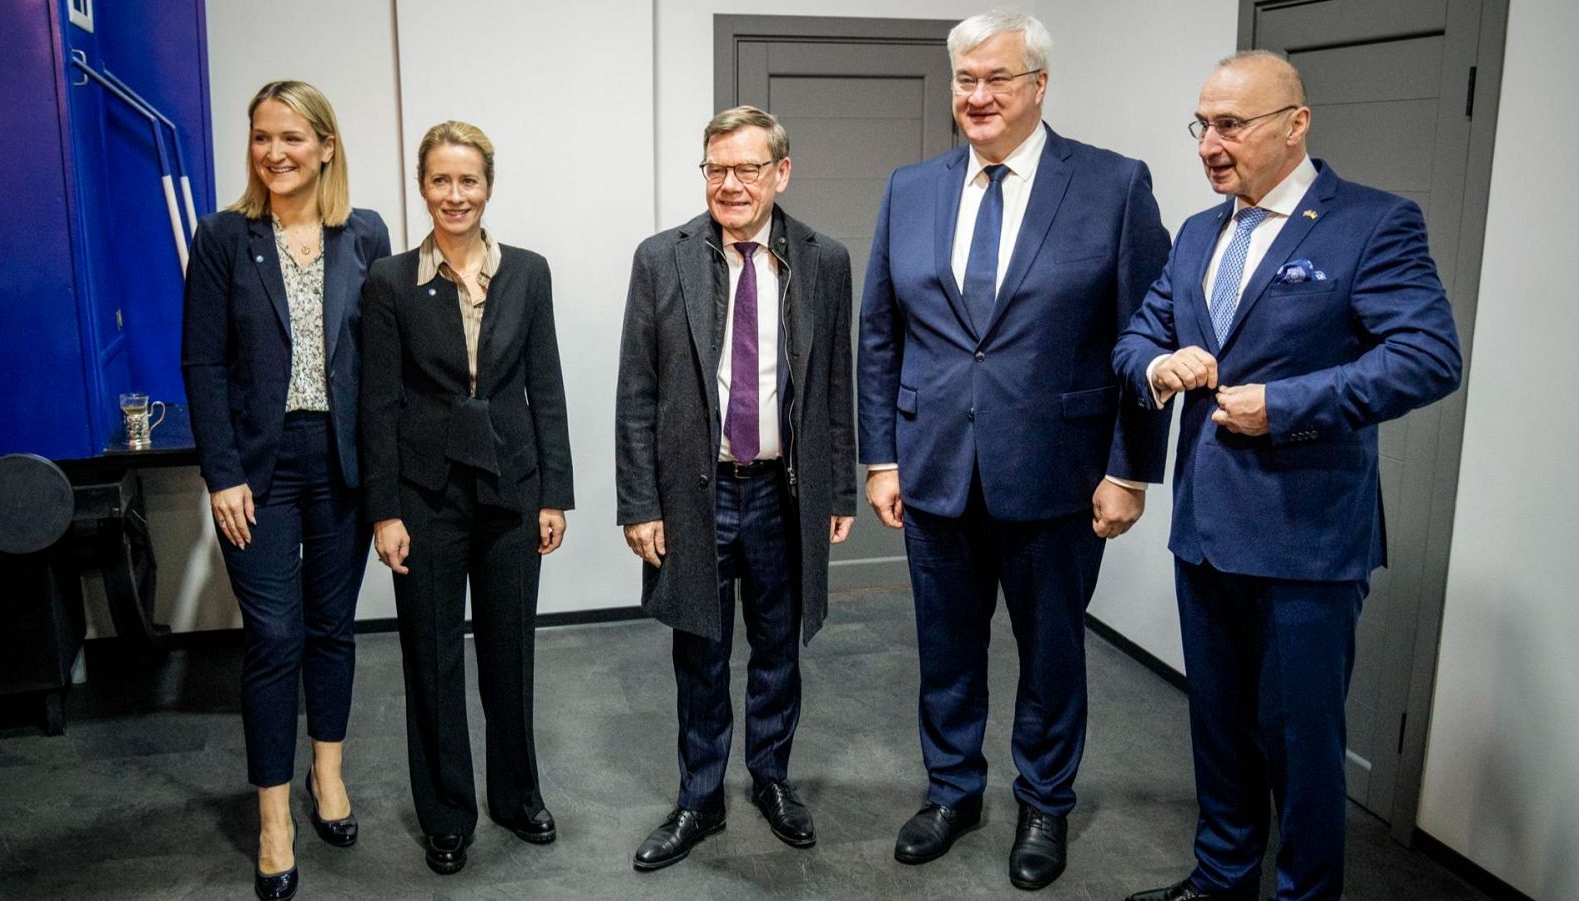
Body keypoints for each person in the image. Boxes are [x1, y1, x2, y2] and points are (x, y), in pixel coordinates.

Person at [1113, 52, 1462, 901]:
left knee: (1302, 745)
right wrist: (1161, 368)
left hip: (1308, 541)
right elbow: (1134, 340)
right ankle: (1223, 878)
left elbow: (1429, 356)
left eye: (1232, 125)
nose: (1210, 145)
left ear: (1295, 123)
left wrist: (1290, 404)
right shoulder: (1200, 233)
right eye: (1203, 124)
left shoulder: (1373, 224)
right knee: (1220, 731)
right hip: (1205, 532)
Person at [855, 10, 1171, 891]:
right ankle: (953, 791)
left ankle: (1045, 801)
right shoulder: (910, 189)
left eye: (997, 78)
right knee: (946, 649)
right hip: (934, 471)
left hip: (1061, 474)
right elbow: (879, 334)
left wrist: (1129, 467)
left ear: (1039, 85)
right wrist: (881, 457)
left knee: (1052, 652)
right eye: (965, 79)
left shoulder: (1111, 185)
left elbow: (1146, 331)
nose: (978, 96)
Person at [615, 105, 857, 871]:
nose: (729, 184)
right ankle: (699, 796)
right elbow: (637, 392)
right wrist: (639, 502)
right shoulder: (663, 257)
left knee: (780, 646)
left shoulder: (824, 260)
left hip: (785, 493)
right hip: (697, 491)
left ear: (779, 174)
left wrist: (839, 492)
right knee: (701, 649)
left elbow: (833, 388)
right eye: (716, 168)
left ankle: (773, 777)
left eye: (747, 169)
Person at [182, 80, 390, 901]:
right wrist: (222, 471)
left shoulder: (362, 233)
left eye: (293, 138)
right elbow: (202, 363)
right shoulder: (225, 238)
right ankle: (274, 818)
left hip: (341, 459)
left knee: (332, 627)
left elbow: (386, 356)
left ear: (327, 147)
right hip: (260, 467)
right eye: (263, 137)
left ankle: (326, 775)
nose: (275, 152)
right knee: (274, 639)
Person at [360, 120, 574, 876]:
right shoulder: (391, 280)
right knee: (433, 658)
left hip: (512, 490)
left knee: (511, 651)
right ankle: (447, 813)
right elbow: (378, 403)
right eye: (442, 181)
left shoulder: (528, 271)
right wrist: (384, 511)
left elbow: (544, 385)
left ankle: (517, 795)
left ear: (489, 186)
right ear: (423, 186)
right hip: (425, 494)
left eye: (469, 181)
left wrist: (556, 493)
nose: (456, 195)